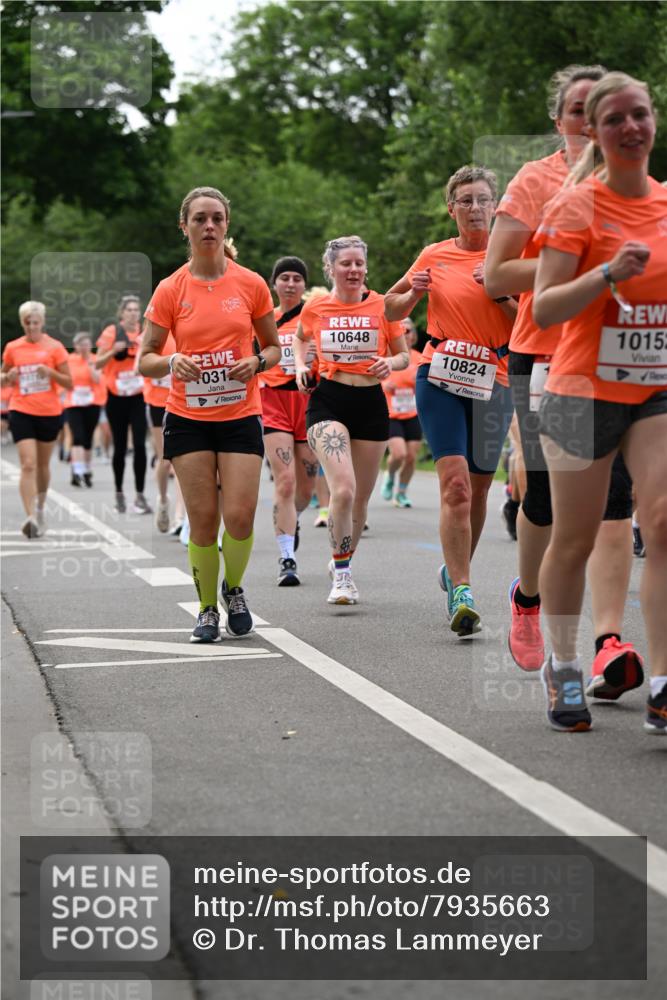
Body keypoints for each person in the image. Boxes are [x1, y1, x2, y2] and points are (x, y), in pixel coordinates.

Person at [484, 64, 640, 699]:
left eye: (599, 108)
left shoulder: (636, 184)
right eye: (577, 110)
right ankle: (528, 598)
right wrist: (576, 267)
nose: (589, 121)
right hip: (548, 358)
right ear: (560, 122)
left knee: (616, 505)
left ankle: (607, 645)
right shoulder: (535, 180)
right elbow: (496, 275)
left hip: (619, 357)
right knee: (548, 506)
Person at [532, 72, 667, 734]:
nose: (629, 128)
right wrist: (604, 274)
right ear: (596, 131)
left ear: (654, 121)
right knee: (575, 538)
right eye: (613, 119)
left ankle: (664, 682)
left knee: (663, 522)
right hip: (580, 390)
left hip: (653, 390)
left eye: (638, 115)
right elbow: (543, 304)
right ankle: (560, 667)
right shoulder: (575, 208)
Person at [139, 186, 281, 641]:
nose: (209, 227)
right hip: (189, 417)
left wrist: (257, 362)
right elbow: (145, 357)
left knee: (240, 516)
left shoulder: (251, 284)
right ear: (185, 226)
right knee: (202, 520)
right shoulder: (171, 289)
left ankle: (233, 588)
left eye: (217, 218)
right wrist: (170, 362)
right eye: (199, 219)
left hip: (240, 414)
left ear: (227, 224)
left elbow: (275, 347)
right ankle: (205, 609)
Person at [385, 166, 516, 636]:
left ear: (496, 206)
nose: (475, 208)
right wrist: (410, 295)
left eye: (483, 199)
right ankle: (462, 590)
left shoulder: (514, 257)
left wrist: (497, 291)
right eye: (466, 201)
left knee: (480, 489)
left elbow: (534, 321)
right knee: (456, 486)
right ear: (452, 208)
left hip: (495, 379)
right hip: (438, 373)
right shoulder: (434, 255)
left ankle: (454, 569)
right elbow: (389, 308)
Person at [293, 236, 408, 604]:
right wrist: (299, 366)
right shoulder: (315, 307)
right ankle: (343, 576)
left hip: (371, 402)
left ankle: (341, 559)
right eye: (346, 264)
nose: (354, 269)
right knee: (342, 487)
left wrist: (389, 363)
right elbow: (299, 339)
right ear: (331, 269)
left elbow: (404, 356)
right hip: (329, 400)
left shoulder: (382, 306)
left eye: (359, 263)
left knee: (359, 500)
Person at [261, 256, 319, 585]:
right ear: (275, 283)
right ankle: (287, 557)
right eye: (284, 278)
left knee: (306, 487)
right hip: (274, 402)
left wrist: (315, 358)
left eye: (297, 278)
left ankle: (291, 520)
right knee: (284, 481)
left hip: (308, 403)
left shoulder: (315, 316)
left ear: (304, 285)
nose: (291, 284)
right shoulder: (265, 320)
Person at [1, 301, 71, 536]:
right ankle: (30, 516)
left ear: (42, 322)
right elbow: (3, 377)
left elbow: (69, 382)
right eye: (27, 323)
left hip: (49, 412)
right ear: (23, 323)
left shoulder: (55, 347)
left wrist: (50, 373)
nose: (31, 327)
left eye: (35, 322)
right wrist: (6, 377)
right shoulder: (13, 347)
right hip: (21, 409)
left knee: (42, 466)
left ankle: (40, 508)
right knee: (28, 464)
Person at [96, 295, 151, 514]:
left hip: (138, 395)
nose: (133, 313)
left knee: (139, 445)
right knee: (119, 447)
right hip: (116, 397)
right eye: (129, 310)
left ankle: (140, 495)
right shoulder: (111, 332)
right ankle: (119, 492)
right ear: (121, 313)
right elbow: (97, 362)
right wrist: (112, 351)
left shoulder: (144, 332)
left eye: (136, 310)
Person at [380, 317, 423, 508]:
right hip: (391, 413)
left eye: (409, 332)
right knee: (399, 454)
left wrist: (419, 384)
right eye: (402, 331)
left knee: (412, 456)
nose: (406, 335)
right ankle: (389, 475)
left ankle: (402, 492)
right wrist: (383, 385)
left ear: (413, 336)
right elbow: (370, 376)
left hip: (413, 412)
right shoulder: (387, 354)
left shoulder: (419, 357)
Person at [141, 328, 177, 532]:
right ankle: (163, 501)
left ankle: (182, 518)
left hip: (183, 400)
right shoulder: (153, 333)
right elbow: (143, 365)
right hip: (157, 402)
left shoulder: (188, 326)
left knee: (183, 458)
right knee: (165, 459)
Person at [64, 332, 104, 487]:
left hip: (92, 402)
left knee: (87, 438)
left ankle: (86, 470)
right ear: (75, 346)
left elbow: (97, 379)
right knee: (78, 436)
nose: (84, 347)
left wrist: (89, 363)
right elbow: (65, 379)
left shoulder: (95, 360)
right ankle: (77, 471)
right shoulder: (69, 360)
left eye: (87, 344)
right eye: (81, 344)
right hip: (73, 403)